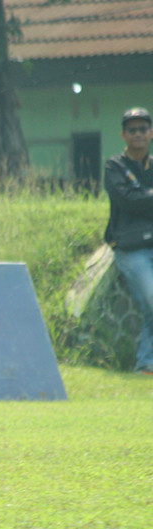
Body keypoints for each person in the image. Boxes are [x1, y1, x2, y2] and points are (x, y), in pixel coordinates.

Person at [104, 106, 153, 376]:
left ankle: (147, 364)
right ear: (123, 135)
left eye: (143, 129)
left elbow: (137, 200)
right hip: (131, 247)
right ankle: (147, 361)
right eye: (132, 130)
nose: (138, 134)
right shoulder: (115, 166)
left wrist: (142, 197)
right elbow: (127, 201)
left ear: (151, 133)